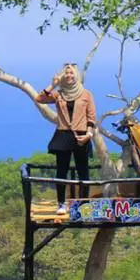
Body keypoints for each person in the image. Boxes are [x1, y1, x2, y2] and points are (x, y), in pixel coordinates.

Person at [35, 62, 98, 211]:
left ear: (77, 76)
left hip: (81, 136)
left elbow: (91, 117)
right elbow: (39, 99)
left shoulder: (86, 94)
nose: (69, 76)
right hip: (63, 134)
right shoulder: (58, 94)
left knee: (83, 171)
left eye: (72, 73)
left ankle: (83, 204)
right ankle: (61, 204)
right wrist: (53, 85)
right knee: (61, 171)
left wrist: (89, 134)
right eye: (66, 73)